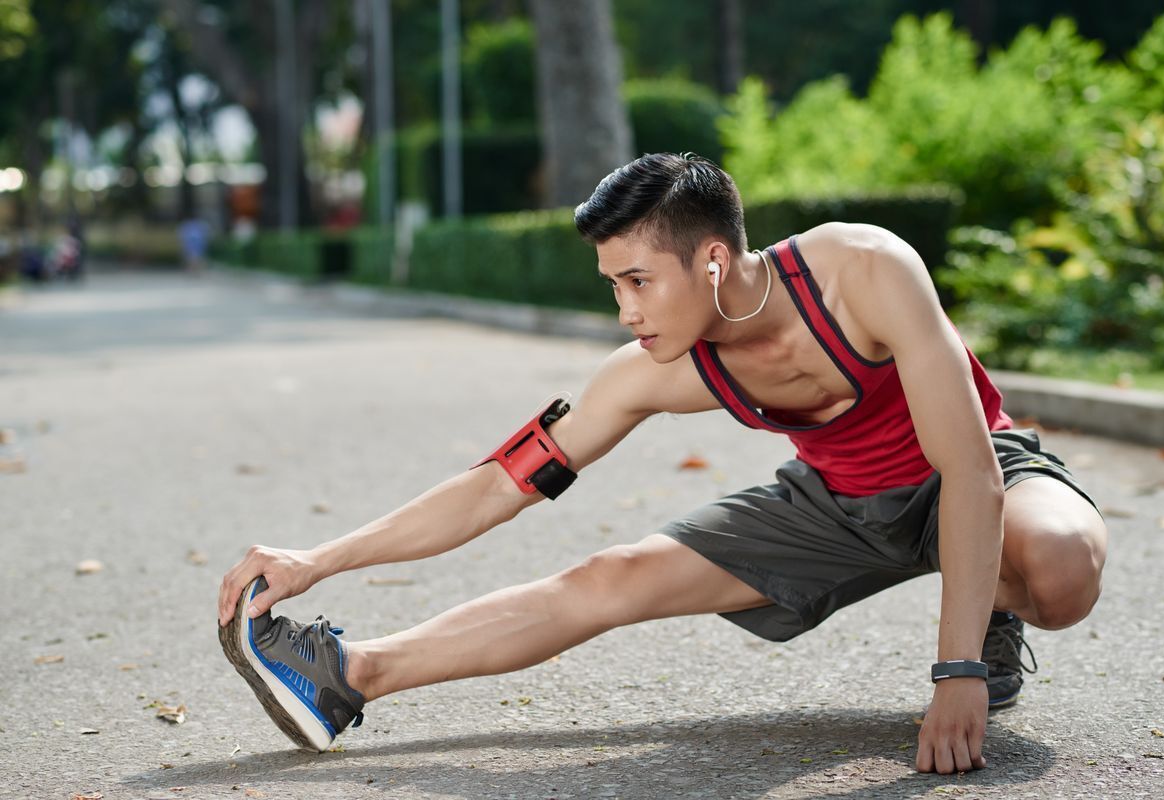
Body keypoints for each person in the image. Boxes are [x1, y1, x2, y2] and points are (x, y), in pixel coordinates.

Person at [217, 153, 1107, 774]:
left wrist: (955, 675)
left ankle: (987, 611)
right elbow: (498, 484)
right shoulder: (655, 370)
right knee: (611, 576)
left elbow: (972, 474)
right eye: (613, 285)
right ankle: (349, 674)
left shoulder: (866, 271)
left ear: (713, 259)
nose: (624, 310)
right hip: (835, 503)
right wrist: (319, 559)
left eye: (638, 281)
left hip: (976, 472)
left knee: (1061, 566)